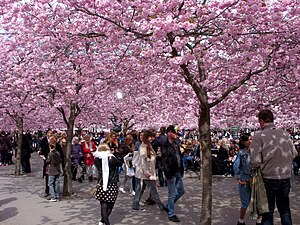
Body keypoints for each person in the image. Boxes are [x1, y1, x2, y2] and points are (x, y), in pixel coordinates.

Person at [250, 109, 298, 225]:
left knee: (268, 212)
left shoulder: (259, 136)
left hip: (268, 178)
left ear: (261, 121)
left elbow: (255, 161)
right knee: (285, 210)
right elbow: (294, 153)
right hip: (285, 177)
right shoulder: (285, 134)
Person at [132, 130, 167, 212]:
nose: (152, 138)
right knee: (152, 190)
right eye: (150, 137)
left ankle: (135, 204)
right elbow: (143, 160)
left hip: (146, 171)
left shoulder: (148, 145)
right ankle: (161, 206)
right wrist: (146, 171)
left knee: (141, 189)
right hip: (145, 172)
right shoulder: (143, 147)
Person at [233, 133, 261, 225]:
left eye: (251, 139)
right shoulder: (241, 153)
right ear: (244, 142)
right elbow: (236, 165)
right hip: (245, 179)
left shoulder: (256, 151)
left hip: (255, 179)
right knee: (245, 202)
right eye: (248, 139)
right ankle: (241, 221)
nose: (250, 141)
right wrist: (239, 178)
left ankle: (259, 221)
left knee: (257, 200)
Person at [93, 143, 123, 225]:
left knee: (103, 204)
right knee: (111, 203)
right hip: (112, 183)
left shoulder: (96, 159)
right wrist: (115, 153)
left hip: (102, 183)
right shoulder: (111, 158)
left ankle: (102, 221)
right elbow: (120, 162)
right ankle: (105, 222)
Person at [161, 125, 185, 222]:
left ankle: (168, 206)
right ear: (169, 133)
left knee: (181, 191)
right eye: (174, 133)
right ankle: (171, 214)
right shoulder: (165, 145)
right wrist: (168, 174)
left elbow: (178, 156)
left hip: (177, 171)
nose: (176, 135)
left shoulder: (176, 144)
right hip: (170, 172)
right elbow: (165, 161)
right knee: (171, 193)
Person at [38, 129, 52, 197]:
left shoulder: (53, 139)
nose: (50, 134)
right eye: (49, 133)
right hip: (46, 159)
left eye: (51, 133)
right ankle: (47, 190)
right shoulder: (44, 140)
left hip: (53, 159)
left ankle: (53, 190)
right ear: (46, 133)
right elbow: (42, 149)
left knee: (53, 175)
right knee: (47, 175)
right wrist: (41, 154)